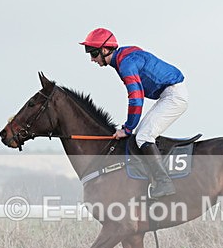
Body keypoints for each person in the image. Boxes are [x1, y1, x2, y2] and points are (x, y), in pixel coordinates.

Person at [80, 28, 188, 198]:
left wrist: (127, 128)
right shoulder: (124, 56)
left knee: (143, 136)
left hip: (173, 95)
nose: (92, 59)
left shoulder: (126, 65)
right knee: (141, 135)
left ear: (105, 50)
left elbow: (136, 99)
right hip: (169, 93)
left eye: (93, 53)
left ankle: (164, 183)